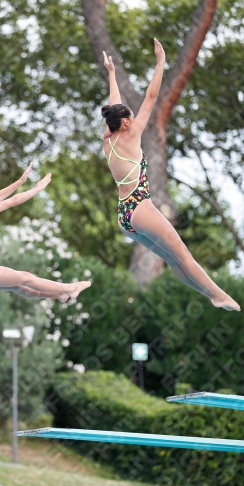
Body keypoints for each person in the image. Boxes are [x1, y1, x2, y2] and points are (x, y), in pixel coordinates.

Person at [102, 39, 240, 311]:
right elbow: (152, 97)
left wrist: (112, 74)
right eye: (130, 113)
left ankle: (210, 295)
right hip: (140, 207)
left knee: (174, 260)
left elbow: (114, 105)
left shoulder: (108, 139)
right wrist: (161, 62)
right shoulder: (131, 135)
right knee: (183, 256)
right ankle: (217, 293)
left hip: (124, 217)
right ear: (127, 123)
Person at [0, 163, 91, 302]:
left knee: (19, 287)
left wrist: (20, 181)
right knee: (25, 278)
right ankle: (69, 288)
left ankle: (58, 295)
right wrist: (38, 188)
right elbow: (12, 201)